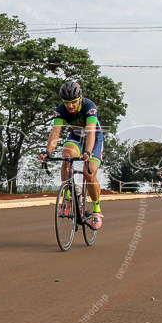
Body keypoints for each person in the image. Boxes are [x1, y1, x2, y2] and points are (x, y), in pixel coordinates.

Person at [37, 79, 104, 229]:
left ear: (80, 98)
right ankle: (67, 199)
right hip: (75, 137)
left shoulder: (89, 106)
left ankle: (97, 210)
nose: (70, 105)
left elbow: (91, 131)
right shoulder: (61, 109)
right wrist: (48, 152)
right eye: (67, 102)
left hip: (93, 138)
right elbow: (55, 132)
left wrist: (87, 151)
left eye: (73, 101)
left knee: (89, 173)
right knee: (66, 158)